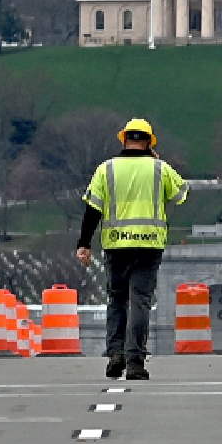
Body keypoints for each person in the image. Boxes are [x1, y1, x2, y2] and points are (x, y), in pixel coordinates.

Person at [77, 117, 188, 381]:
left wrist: (84, 243)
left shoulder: (107, 169)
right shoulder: (160, 169)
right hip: (149, 245)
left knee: (116, 299)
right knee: (140, 301)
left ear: (124, 139)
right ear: (149, 143)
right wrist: (156, 162)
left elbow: (93, 209)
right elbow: (181, 193)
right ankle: (135, 361)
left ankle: (116, 353)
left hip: (116, 245)